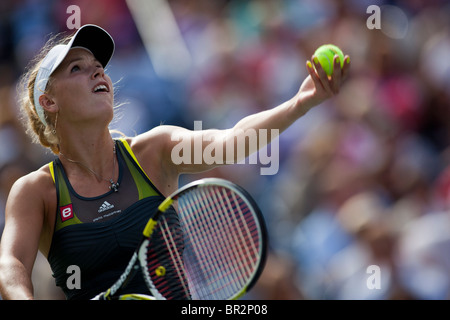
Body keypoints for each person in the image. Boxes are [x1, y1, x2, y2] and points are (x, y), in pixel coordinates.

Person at [0, 24, 350, 300]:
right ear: (49, 102)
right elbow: (11, 264)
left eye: (98, 68)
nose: (98, 73)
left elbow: (234, 141)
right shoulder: (36, 191)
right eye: (78, 68)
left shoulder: (156, 151)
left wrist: (301, 103)